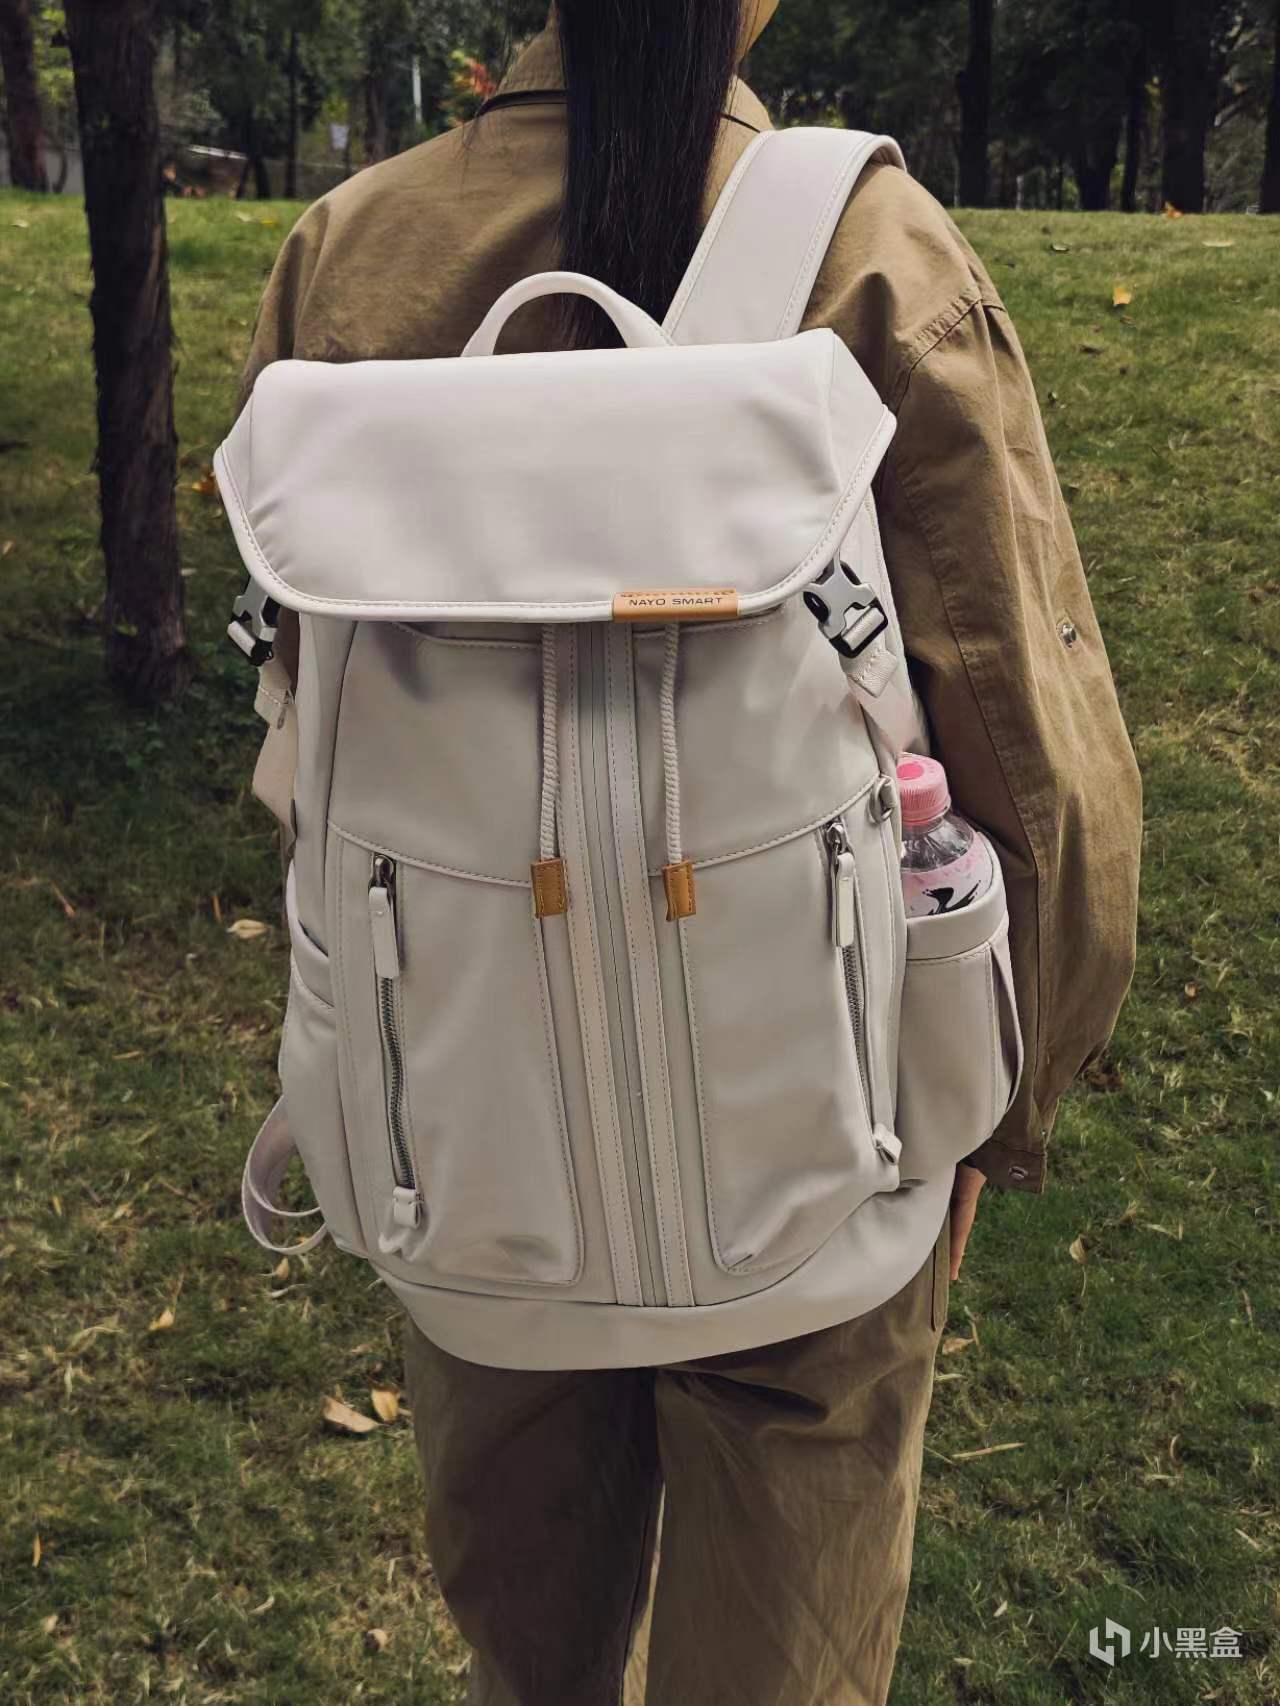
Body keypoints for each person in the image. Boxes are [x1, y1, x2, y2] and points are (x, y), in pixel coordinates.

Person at [236, 3, 1141, 1700]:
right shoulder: (875, 256)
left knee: (532, 1653)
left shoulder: (349, 258)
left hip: (470, 1159)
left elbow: (304, 735)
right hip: (820, 1147)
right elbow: (1036, 757)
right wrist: (1000, 1104)